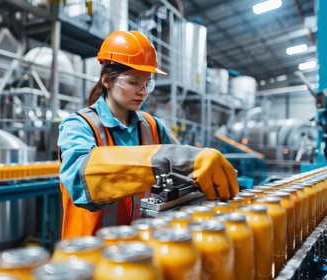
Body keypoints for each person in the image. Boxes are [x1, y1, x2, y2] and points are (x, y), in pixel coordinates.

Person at [58, 30, 239, 239]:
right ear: (107, 81)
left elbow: (182, 175)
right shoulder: (79, 125)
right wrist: (172, 161)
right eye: (134, 82)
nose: (142, 92)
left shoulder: (152, 125)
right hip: (90, 256)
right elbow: (80, 182)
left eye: (147, 84)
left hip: (141, 247)